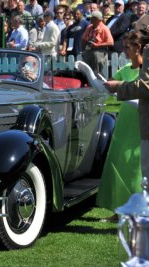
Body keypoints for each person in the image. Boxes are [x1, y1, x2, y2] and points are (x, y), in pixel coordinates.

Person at [99, 30, 149, 222]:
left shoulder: (145, 70)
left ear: (138, 48)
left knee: (138, 171)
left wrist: (119, 87)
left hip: (141, 123)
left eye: (128, 47)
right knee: (119, 166)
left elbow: (141, 89)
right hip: (125, 122)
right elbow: (109, 86)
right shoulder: (126, 69)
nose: (125, 51)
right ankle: (119, 210)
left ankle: (138, 212)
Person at [81, 10, 113, 76]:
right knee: (85, 70)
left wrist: (97, 45)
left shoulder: (105, 28)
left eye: (92, 18)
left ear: (97, 19)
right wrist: (83, 50)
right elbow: (83, 38)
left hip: (99, 52)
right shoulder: (89, 27)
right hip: (89, 50)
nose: (90, 20)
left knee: (96, 72)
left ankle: (97, 84)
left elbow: (111, 42)